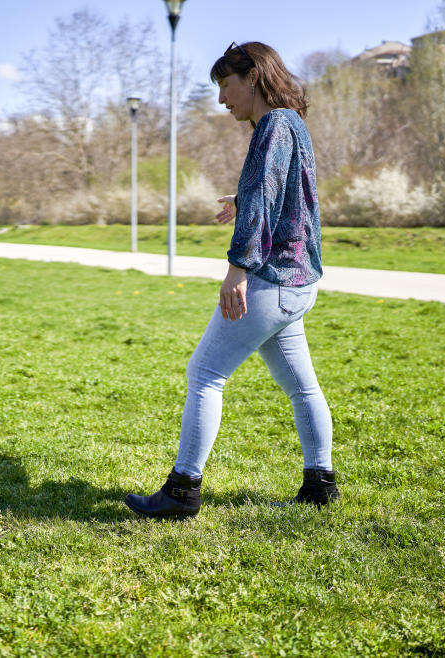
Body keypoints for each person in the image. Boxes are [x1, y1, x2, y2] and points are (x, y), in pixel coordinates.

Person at [125, 42, 337, 519]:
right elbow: (286, 198)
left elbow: (266, 199)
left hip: (271, 279)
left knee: (205, 374)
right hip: (300, 282)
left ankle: (182, 490)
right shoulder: (292, 124)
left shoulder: (274, 126)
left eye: (225, 85)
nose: (222, 99)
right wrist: (244, 200)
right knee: (303, 388)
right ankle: (320, 484)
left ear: (254, 76)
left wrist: (236, 271)